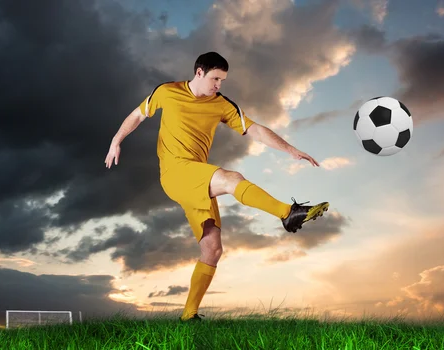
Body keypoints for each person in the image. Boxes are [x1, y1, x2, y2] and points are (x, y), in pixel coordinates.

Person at [104, 52, 329, 322]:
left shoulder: (222, 105)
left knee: (212, 249)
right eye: (215, 78)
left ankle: (189, 315)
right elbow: (138, 115)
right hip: (175, 172)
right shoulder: (167, 91)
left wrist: (290, 149)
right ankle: (287, 213)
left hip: (197, 178)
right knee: (232, 178)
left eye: (222, 80)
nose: (218, 85)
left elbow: (255, 129)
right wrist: (116, 140)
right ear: (199, 72)